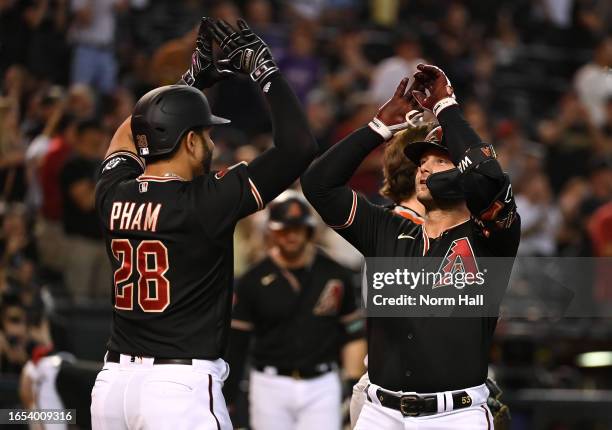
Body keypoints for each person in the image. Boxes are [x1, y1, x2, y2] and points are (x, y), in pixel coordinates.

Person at [90, 17, 317, 430]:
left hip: (113, 388)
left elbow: (129, 133)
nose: (212, 143)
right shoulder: (204, 202)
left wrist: (187, 84)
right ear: (191, 141)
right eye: (206, 134)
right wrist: (263, 70)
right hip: (177, 389)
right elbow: (299, 146)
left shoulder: (113, 191)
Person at [302, 64, 520, 428]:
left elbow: (489, 176)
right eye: (421, 161)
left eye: (438, 159)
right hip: (379, 413)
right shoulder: (387, 229)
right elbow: (318, 185)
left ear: (463, 173)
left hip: (455, 415)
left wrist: (447, 107)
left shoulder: (489, 239)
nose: (424, 168)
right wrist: (377, 129)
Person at [223, 191, 366, 430]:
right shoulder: (252, 279)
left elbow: (352, 331)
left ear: (309, 230)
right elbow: (237, 341)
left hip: (323, 382)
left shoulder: (335, 273)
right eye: (284, 229)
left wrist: (352, 385)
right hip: (269, 383)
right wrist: (229, 397)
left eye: (297, 228)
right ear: (271, 231)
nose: (291, 235)